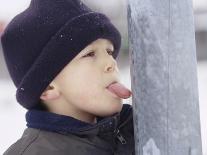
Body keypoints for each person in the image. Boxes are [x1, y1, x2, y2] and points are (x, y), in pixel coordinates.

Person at [1, 0, 135, 154]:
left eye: (109, 52)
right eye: (90, 54)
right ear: (48, 87)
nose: (111, 63)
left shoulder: (134, 130)